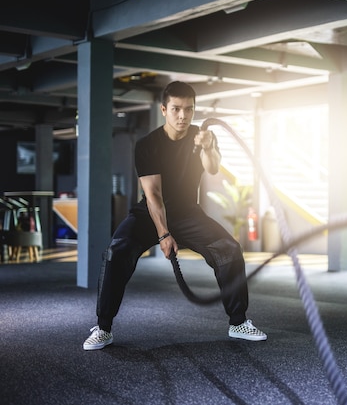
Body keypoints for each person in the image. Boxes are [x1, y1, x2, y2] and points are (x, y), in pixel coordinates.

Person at [83, 81, 266, 350]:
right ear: (164, 109)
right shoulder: (147, 145)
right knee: (117, 251)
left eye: (189, 110)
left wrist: (207, 147)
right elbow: (154, 194)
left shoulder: (202, 137)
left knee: (229, 249)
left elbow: (213, 169)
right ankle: (103, 327)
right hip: (149, 213)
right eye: (176, 109)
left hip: (188, 213)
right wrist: (164, 233)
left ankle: (238, 322)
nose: (183, 116)